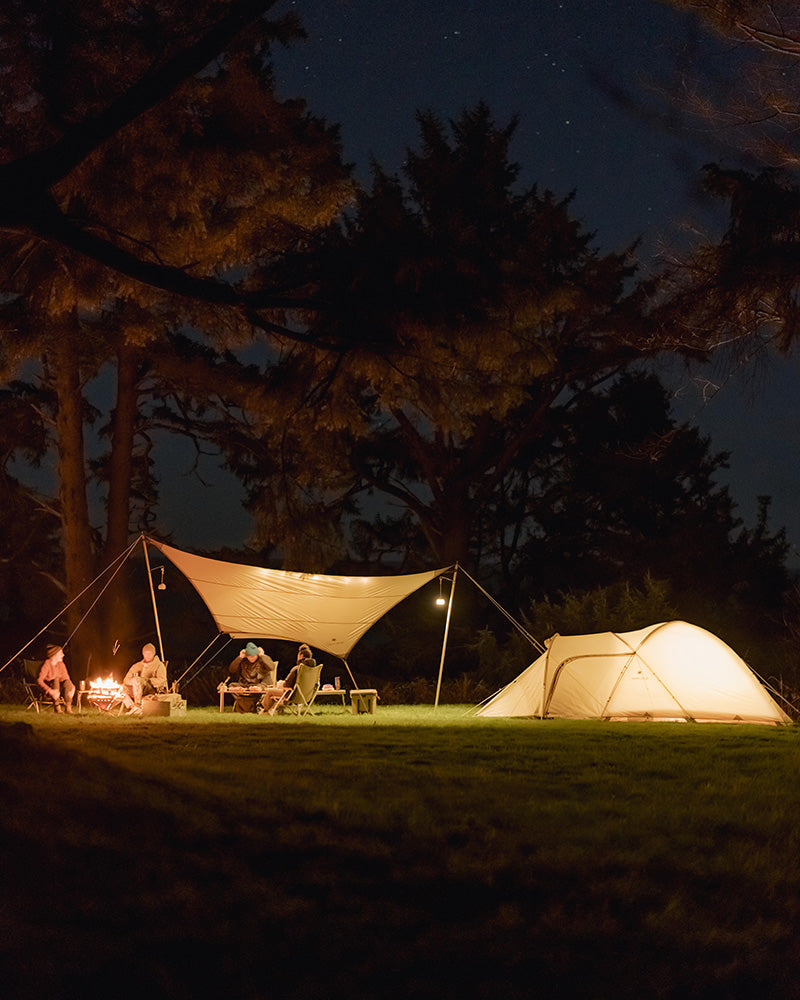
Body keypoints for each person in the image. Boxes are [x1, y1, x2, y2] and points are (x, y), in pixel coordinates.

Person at [260, 643, 317, 715]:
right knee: (277, 688)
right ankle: (273, 710)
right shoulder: (312, 670)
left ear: (301, 656)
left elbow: (287, 685)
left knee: (270, 691)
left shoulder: (297, 669)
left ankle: (265, 711)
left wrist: (281, 684)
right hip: (307, 695)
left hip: (293, 695)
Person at [225, 642, 277, 713]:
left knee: (258, 688)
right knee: (232, 686)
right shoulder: (244, 661)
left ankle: (254, 705)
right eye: (249, 656)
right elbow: (232, 669)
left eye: (253, 656)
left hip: (259, 685)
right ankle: (243, 703)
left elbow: (272, 667)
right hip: (245, 685)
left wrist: (262, 655)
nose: (251, 658)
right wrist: (240, 657)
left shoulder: (262, 661)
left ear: (257, 654)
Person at [122, 642, 168, 715]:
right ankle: (133, 707)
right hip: (135, 690)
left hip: (150, 689)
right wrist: (134, 682)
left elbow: (162, 680)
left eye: (150, 653)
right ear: (143, 654)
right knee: (121, 688)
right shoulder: (137, 666)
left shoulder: (159, 665)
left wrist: (146, 680)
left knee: (137, 680)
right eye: (146, 653)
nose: (148, 655)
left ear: (153, 653)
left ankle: (138, 705)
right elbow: (126, 680)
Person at [37, 644, 75, 713]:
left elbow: (66, 678)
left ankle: (68, 708)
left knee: (68, 683)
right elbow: (39, 680)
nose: (63, 655)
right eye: (61, 653)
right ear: (55, 655)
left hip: (60, 689)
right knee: (55, 680)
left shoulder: (61, 664)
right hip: (50, 689)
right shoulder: (47, 664)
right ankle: (57, 708)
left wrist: (71, 688)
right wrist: (49, 690)